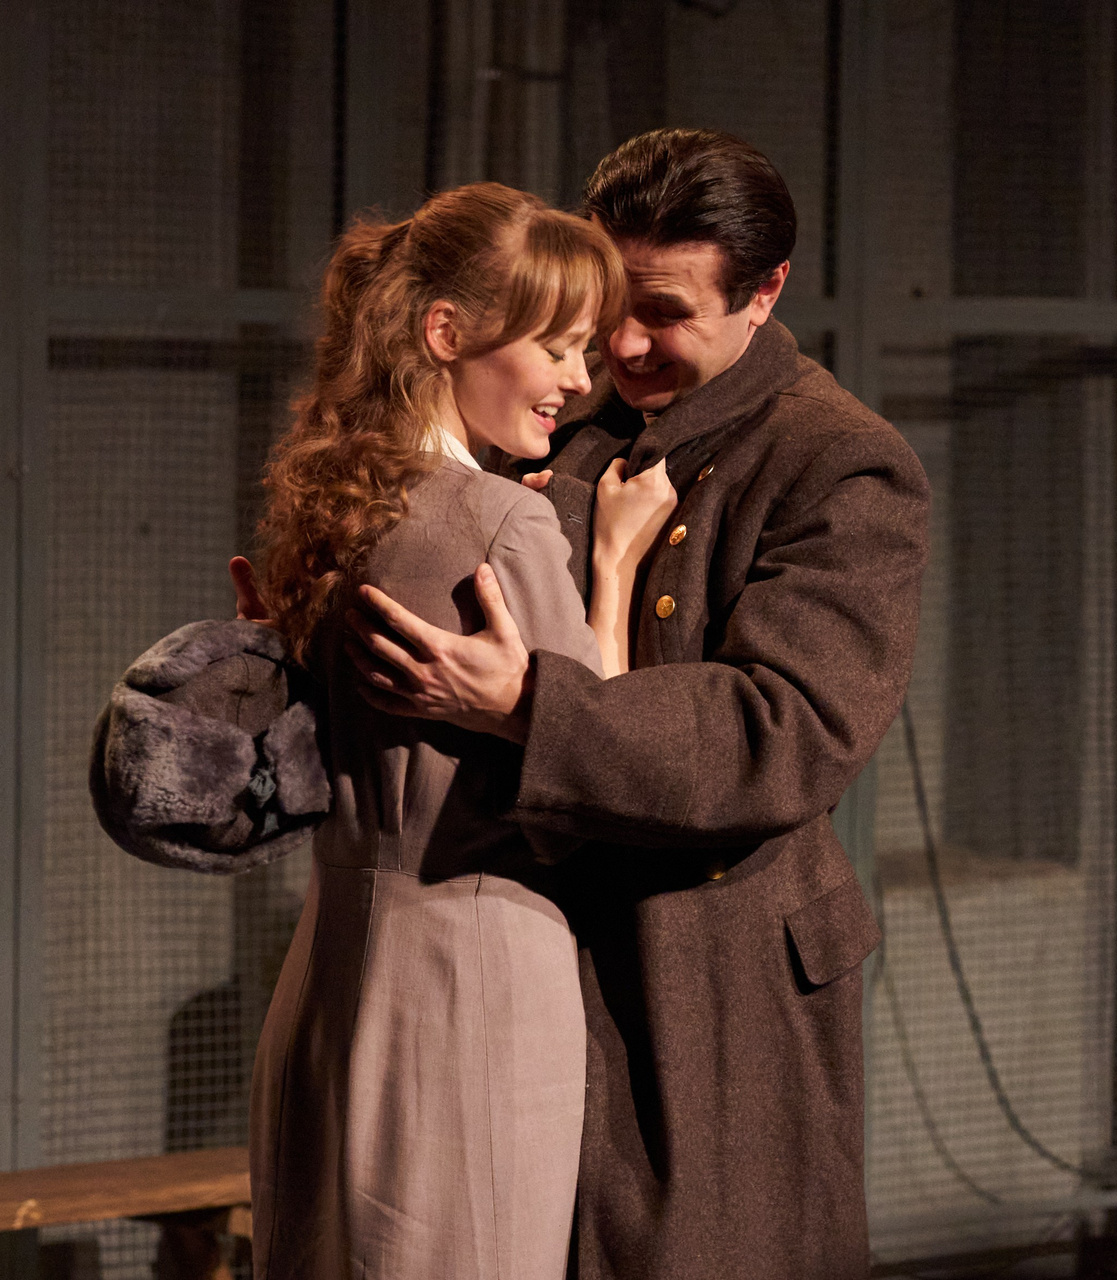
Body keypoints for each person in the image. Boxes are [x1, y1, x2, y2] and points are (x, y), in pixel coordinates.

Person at [345, 129, 931, 1280]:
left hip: (714, 975)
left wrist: (533, 705)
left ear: (764, 292)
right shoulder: (567, 426)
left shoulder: (838, 461)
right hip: (530, 948)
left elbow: (782, 734)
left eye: (663, 312)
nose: (620, 344)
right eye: (611, 304)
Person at [93, 181, 678, 1280]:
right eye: (555, 346)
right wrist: (611, 561)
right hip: (477, 973)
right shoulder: (505, 520)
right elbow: (597, 747)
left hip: (333, 962)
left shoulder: (335, 507)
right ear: (447, 333)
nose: (579, 378)